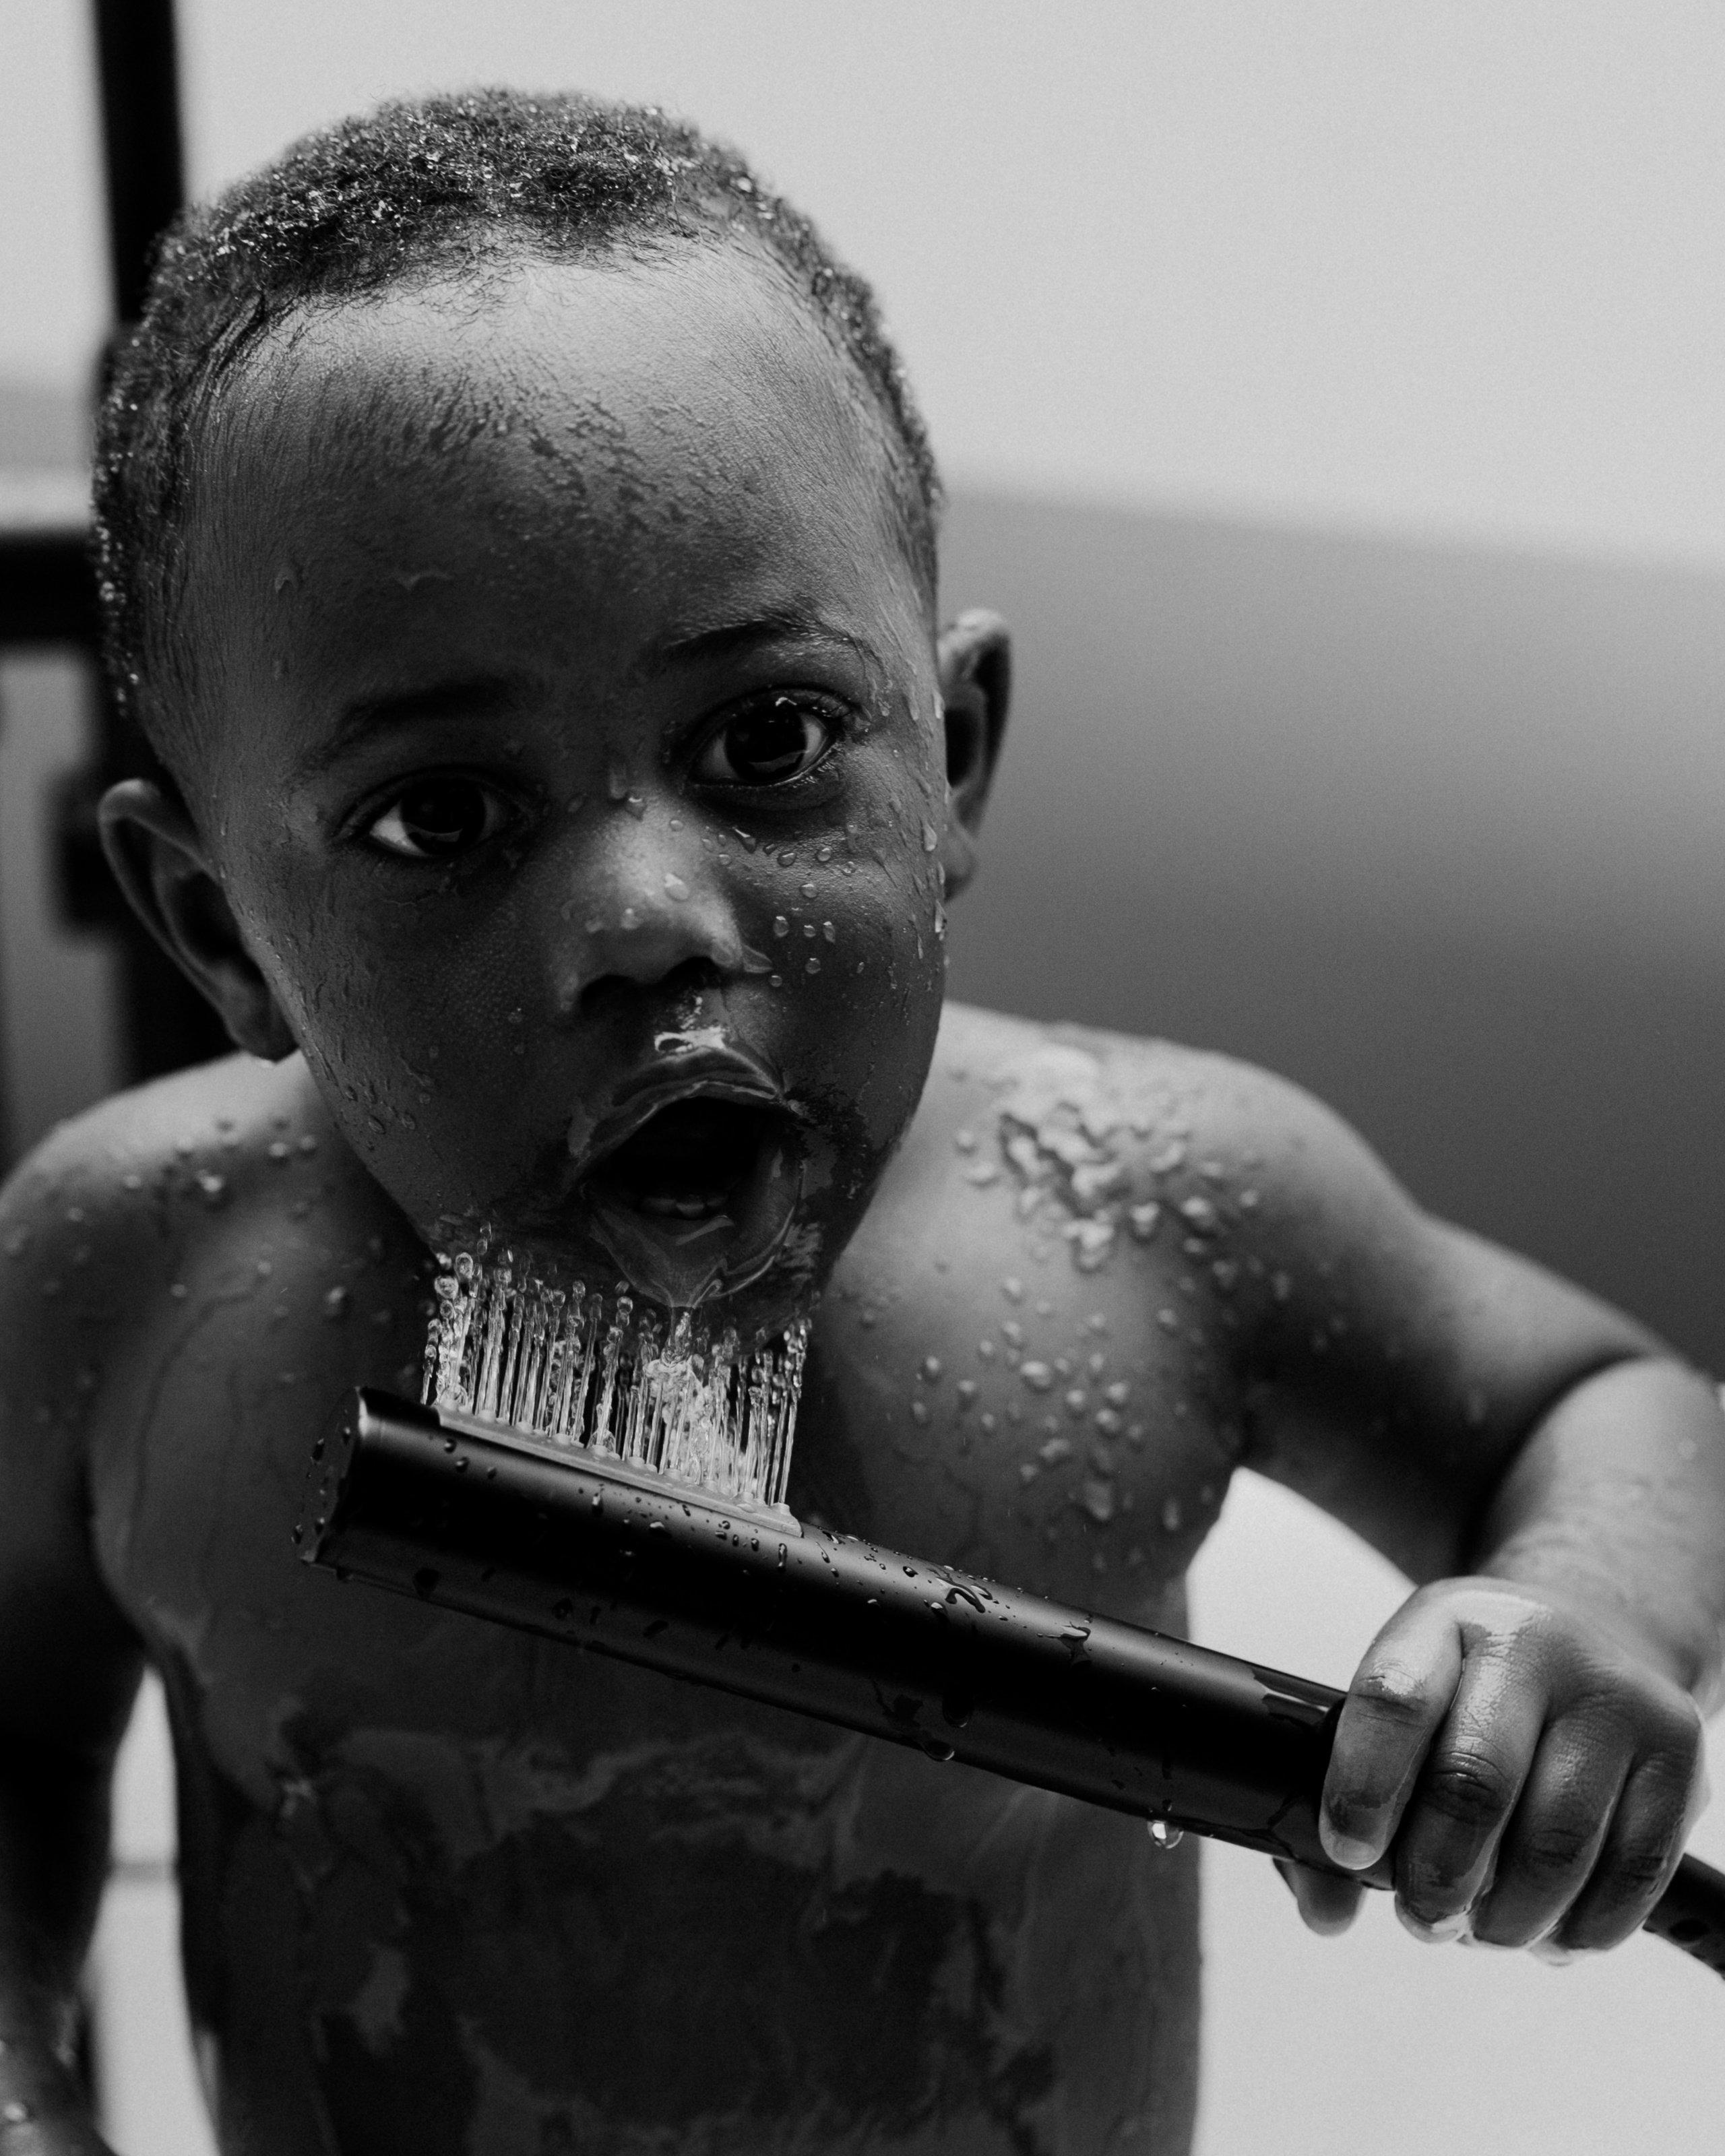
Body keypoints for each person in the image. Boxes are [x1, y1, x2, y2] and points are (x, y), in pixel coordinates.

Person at [1, 90, 1720, 2156]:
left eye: (771, 742)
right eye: (440, 821)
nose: (644, 920)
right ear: (217, 928)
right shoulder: (135, 1286)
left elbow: (1610, 1408)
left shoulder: (1146, 1219)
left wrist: (1581, 1618)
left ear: (955, 763)